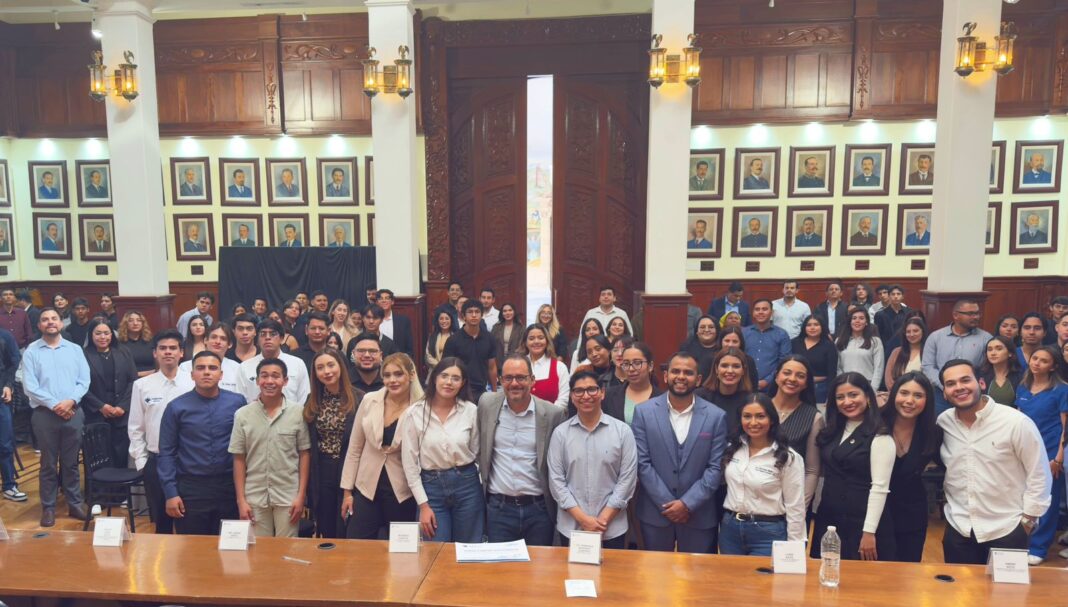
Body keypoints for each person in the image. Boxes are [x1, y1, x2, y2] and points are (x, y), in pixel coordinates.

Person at [937, 359, 1051, 565]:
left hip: (1006, 529)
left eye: (965, 380)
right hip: (959, 527)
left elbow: (1039, 473)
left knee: (1007, 596)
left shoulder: (1015, 422)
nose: (959, 387)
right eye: (951, 384)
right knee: (958, 595)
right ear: (944, 392)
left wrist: (1027, 521)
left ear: (980, 383)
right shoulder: (943, 423)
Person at [630, 352, 727, 553]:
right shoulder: (643, 412)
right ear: (666, 376)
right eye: (675, 371)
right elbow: (642, 463)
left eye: (688, 372)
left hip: (699, 514)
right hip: (656, 513)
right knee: (655, 579)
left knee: (698, 580)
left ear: (698, 379)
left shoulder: (716, 416)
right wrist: (669, 505)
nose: (681, 376)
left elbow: (715, 467)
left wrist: (687, 504)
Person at [476, 354, 567, 545]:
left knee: (538, 572)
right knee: (500, 571)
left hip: (538, 510)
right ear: (500, 380)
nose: (514, 383)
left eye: (521, 377)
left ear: (532, 380)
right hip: (498, 509)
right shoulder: (487, 404)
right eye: (508, 378)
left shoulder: (552, 414)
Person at [158, 351, 246, 535]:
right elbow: (166, 452)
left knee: (231, 548)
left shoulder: (237, 403)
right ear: (192, 375)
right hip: (191, 489)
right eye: (200, 368)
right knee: (192, 551)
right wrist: (170, 493)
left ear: (221, 374)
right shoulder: (176, 407)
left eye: (213, 368)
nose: (207, 372)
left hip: (229, 487)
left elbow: (246, 447)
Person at [548, 370, 637, 549]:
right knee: (575, 576)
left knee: (613, 577)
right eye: (579, 391)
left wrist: (602, 520)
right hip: (572, 528)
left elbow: (627, 479)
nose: (586, 396)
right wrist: (584, 520)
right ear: (572, 396)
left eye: (592, 390)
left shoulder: (622, 432)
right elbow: (556, 481)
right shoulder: (560, 434)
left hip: (612, 528)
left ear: (602, 393)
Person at [811, 373, 895, 561]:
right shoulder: (831, 431)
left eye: (853, 395)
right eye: (840, 397)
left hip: (864, 523)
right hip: (829, 519)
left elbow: (880, 488)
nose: (847, 401)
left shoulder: (880, 434)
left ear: (867, 396)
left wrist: (869, 532)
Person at [402, 358, 484, 543]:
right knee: (434, 550)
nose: (449, 382)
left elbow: (478, 452)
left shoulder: (470, 410)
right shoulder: (414, 413)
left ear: (462, 383)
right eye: (444, 376)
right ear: (434, 378)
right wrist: (423, 505)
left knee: (469, 548)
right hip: (431, 487)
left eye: (456, 378)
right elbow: (409, 464)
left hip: (467, 484)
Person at [339, 353, 421, 539]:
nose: (392, 380)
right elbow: (354, 448)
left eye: (398, 374)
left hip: (402, 491)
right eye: (387, 375)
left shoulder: (420, 407)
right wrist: (347, 493)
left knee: (402, 554)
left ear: (411, 375)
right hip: (367, 488)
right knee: (356, 547)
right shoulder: (370, 400)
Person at [23, 308, 91, 526]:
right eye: (45, 320)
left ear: (61, 323)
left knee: (71, 464)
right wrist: (55, 405)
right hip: (45, 415)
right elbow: (30, 386)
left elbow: (84, 381)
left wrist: (70, 401)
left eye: (54, 319)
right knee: (48, 464)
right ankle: (49, 507)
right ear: (39, 325)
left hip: (73, 412)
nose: (50, 322)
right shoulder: (31, 352)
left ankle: (74, 504)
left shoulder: (75, 349)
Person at [230, 358, 310, 538]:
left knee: (288, 550)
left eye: (276, 376)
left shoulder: (299, 413)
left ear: (285, 381)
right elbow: (239, 458)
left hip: (288, 495)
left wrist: (300, 496)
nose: (270, 381)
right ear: (257, 381)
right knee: (259, 552)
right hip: (254, 496)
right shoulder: (243, 415)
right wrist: (241, 500)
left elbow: (304, 454)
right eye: (264, 376)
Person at [719, 394, 806, 555]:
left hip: (768, 533)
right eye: (747, 416)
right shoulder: (733, 449)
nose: (753, 423)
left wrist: (795, 547)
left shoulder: (788, 457)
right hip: (730, 530)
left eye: (760, 416)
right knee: (730, 580)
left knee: (763, 581)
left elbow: (796, 506)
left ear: (772, 419)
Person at [128, 329, 192, 534]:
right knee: (161, 523)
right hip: (156, 461)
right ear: (154, 353)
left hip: (188, 460)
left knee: (188, 519)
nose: (168, 352)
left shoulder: (192, 383)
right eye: (162, 348)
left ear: (181, 352)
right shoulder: (142, 385)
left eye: (173, 348)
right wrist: (142, 462)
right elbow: (136, 427)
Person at [1014, 346, 1068, 565]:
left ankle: (1039, 547)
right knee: (1022, 497)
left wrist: (1059, 457)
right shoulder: (1023, 387)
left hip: (1050, 451)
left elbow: (1066, 426)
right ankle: (1021, 542)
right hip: (1024, 451)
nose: (1036, 363)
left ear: (1053, 366)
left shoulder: (1062, 390)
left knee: (1048, 500)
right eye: (1035, 358)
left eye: (1043, 361)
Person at [302, 349, 361, 538]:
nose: (326, 371)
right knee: (326, 525)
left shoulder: (360, 398)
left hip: (352, 468)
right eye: (320, 368)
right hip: (322, 469)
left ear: (341, 367)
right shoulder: (312, 401)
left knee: (348, 523)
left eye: (330, 365)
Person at [883, 372, 942, 562]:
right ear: (894, 395)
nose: (909, 401)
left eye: (918, 396)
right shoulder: (875, 422)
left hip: (912, 512)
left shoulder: (933, 431)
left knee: (907, 574)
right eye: (904, 393)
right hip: (875, 511)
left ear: (927, 400)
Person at [82, 320, 139, 469]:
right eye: (98, 333)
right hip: (96, 414)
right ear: (91, 335)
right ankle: (102, 490)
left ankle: (122, 490)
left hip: (122, 412)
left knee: (121, 454)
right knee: (100, 455)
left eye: (106, 333)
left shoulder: (123, 351)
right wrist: (101, 406)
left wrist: (122, 407)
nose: (103, 337)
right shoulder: (83, 355)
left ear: (112, 335)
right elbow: (80, 385)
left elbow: (133, 381)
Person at [922, 299, 993, 414]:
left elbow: (987, 368)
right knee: (939, 426)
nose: (976, 317)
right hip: (941, 393)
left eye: (977, 313)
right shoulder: (936, 337)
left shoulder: (986, 338)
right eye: (970, 314)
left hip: (971, 393)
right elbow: (928, 366)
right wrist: (945, 386)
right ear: (955, 315)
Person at [769, 356, 823, 506]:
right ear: (776, 376)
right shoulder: (757, 407)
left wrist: (798, 508)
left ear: (806, 384)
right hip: (749, 501)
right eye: (787, 373)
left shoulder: (813, 417)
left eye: (800, 376)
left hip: (788, 502)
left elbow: (812, 471)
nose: (792, 379)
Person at [238, 319, 310, 406]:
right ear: (257, 340)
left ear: (282, 339)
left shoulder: (297, 364)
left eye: (273, 334)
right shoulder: (245, 367)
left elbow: (304, 397)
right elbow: (240, 400)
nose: (267, 338)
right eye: (263, 334)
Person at [443, 300, 498, 403]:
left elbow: (492, 367)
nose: (474, 315)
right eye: (470, 312)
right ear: (463, 316)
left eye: (477, 312)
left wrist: (494, 392)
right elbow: (447, 368)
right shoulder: (453, 340)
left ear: (482, 315)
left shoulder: (489, 338)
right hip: (459, 389)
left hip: (482, 390)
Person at [696, 347, 753, 435]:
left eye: (736, 366)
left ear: (743, 371)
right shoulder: (699, 397)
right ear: (716, 369)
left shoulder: (750, 401)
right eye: (724, 365)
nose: (730, 371)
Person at [603, 342, 662, 425]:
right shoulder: (609, 395)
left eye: (637, 363)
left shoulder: (663, 398)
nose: (631, 369)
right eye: (626, 364)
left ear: (650, 366)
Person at [518, 324, 570, 410]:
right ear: (525, 342)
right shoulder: (518, 366)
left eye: (541, 338)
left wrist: (547, 416)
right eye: (531, 338)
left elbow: (563, 400)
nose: (536, 341)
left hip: (551, 420)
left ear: (547, 341)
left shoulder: (560, 367)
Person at [743, 299, 791, 391]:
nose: (760, 312)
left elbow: (784, 362)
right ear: (753, 313)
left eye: (764, 309)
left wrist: (767, 380)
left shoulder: (782, 334)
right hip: (745, 384)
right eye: (757, 309)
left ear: (772, 312)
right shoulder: (744, 333)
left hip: (772, 386)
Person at [791, 315, 837, 405]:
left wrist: (830, 395)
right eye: (809, 325)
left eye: (816, 324)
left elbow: (832, 372)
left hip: (819, 388)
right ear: (804, 327)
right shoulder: (794, 343)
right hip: (795, 386)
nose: (812, 328)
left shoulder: (829, 346)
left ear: (822, 327)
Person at [837, 308, 885, 390]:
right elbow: (838, 367)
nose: (857, 321)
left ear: (867, 322)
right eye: (854, 318)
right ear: (850, 321)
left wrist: (872, 390)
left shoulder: (875, 341)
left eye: (861, 318)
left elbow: (879, 368)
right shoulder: (840, 340)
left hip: (867, 384)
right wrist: (842, 384)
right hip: (845, 384)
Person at [0, 325, 21, 503]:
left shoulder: (4, 336)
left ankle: (8, 485)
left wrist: (8, 385)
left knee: (5, 444)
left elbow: (13, 363)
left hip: (0, 396)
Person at [978, 335, 1024, 409]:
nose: (993, 353)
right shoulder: (979, 374)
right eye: (989, 349)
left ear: (1010, 353)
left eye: (999, 349)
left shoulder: (1021, 376)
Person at [885, 317, 927, 389]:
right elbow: (888, 378)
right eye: (908, 332)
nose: (911, 334)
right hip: (897, 395)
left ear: (922, 331)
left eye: (915, 331)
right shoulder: (896, 352)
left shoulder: (928, 352)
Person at [117, 311, 156, 377]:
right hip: (130, 381)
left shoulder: (151, 341)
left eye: (139, 320)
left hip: (152, 380)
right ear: (125, 324)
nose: (135, 323)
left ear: (143, 323)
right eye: (131, 321)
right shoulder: (119, 344)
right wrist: (150, 373)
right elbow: (121, 370)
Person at [680, 315, 719, 379]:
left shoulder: (723, 346)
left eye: (711, 327)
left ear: (717, 331)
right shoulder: (686, 347)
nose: (706, 330)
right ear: (696, 331)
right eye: (702, 327)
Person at [293, 311, 331, 376]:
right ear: (306, 330)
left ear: (328, 331)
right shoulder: (295, 357)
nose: (317, 332)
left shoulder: (338, 355)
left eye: (321, 328)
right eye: (313, 328)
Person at [376, 289, 414, 356]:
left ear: (392, 302)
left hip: (397, 359)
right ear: (377, 302)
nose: (384, 301)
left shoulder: (403, 321)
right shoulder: (372, 321)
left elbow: (409, 345)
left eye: (387, 298)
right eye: (380, 298)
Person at [491, 303, 523, 369]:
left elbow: (522, 346)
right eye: (504, 311)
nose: (507, 313)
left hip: (515, 362)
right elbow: (491, 344)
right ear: (502, 313)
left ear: (514, 312)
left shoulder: (520, 328)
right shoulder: (496, 327)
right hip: (498, 363)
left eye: (510, 310)